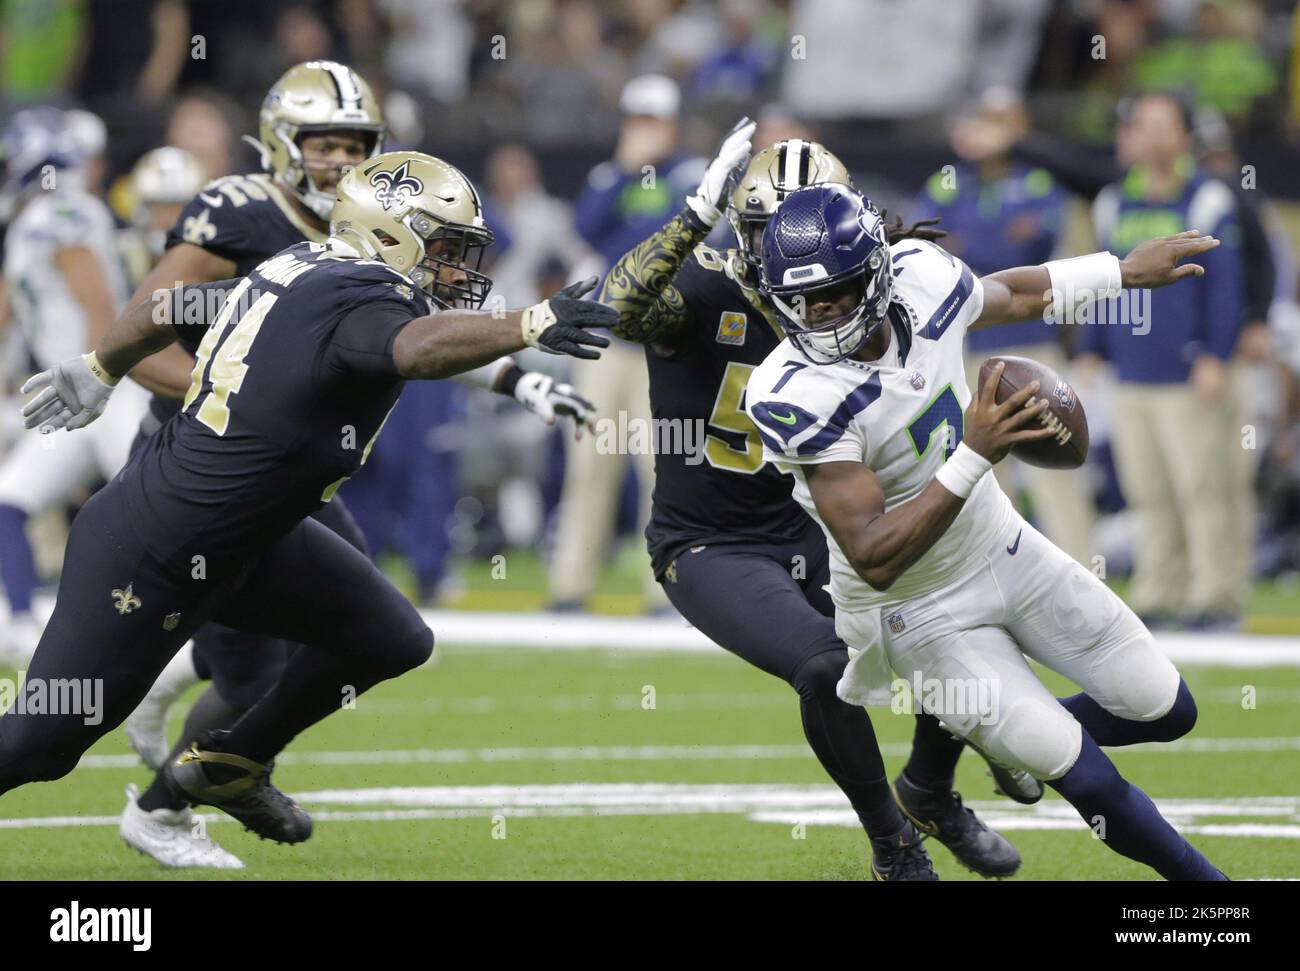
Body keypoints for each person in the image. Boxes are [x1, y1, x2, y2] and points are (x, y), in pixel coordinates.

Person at [3, 151, 614, 852]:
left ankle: (229, 764)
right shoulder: (360, 297)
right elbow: (414, 349)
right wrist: (527, 324)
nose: (458, 272)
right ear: (391, 235)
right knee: (36, 746)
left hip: (246, 538)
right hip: (157, 547)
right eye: (445, 251)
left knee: (391, 636)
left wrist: (103, 364)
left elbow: (166, 306)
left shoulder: (300, 268)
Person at [744, 180, 1226, 879]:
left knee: (1166, 707)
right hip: (917, 609)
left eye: (834, 295)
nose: (815, 315)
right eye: (799, 300)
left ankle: (1001, 740)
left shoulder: (924, 276)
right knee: (1085, 777)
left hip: (1000, 543)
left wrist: (1119, 271)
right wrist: (975, 453)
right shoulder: (793, 391)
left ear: (877, 276)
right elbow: (874, 554)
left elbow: (1011, 294)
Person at [597, 122, 1037, 880]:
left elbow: (982, 300)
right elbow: (611, 308)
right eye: (771, 233)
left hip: (816, 523)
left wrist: (1110, 278)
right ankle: (893, 844)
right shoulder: (704, 289)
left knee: (948, 609)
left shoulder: (876, 286)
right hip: (713, 543)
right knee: (823, 665)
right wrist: (696, 209)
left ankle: (931, 786)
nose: (795, 256)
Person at [915, 88, 1094, 565]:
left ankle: (1080, 569)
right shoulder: (946, 183)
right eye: (983, 119)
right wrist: (987, 246)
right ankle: (995, 575)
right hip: (965, 346)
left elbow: (1025, 254)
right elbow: (930, 253)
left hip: (1032, 345)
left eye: (1000, 120)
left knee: (1054, 466)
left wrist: (971, 243)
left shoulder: (1038, 181)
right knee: (979, 472)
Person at [547, 74, 702, 613]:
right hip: (608, 340)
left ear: (672, 123)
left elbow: (669, 239)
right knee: (589, 465)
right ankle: (570, 587)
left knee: (658, 469)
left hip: (662, 347)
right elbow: (586, 230)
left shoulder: (692, 175)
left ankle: (663, 588)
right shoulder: (607, 175)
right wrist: (622, 171)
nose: (645, 129)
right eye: (637, 119)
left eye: (653, 120)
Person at [0, 108, 146, 665]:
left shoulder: (61, 212)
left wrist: (96, 379)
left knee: (150, 511)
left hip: (101, 389)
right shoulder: (34, 220)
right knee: (11, 502)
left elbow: (96, 303)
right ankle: (19, 624)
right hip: (72, 394)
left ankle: (202, 619)